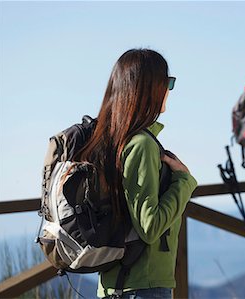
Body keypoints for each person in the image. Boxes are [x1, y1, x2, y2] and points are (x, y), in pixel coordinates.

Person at [77, 49, 198, 298]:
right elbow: (150, 226)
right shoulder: (140, 145)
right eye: (168, 82)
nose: (169, 90)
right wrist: (184, 181)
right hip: (141, 287)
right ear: (150, 88)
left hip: (119, 284)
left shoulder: (112, 140)